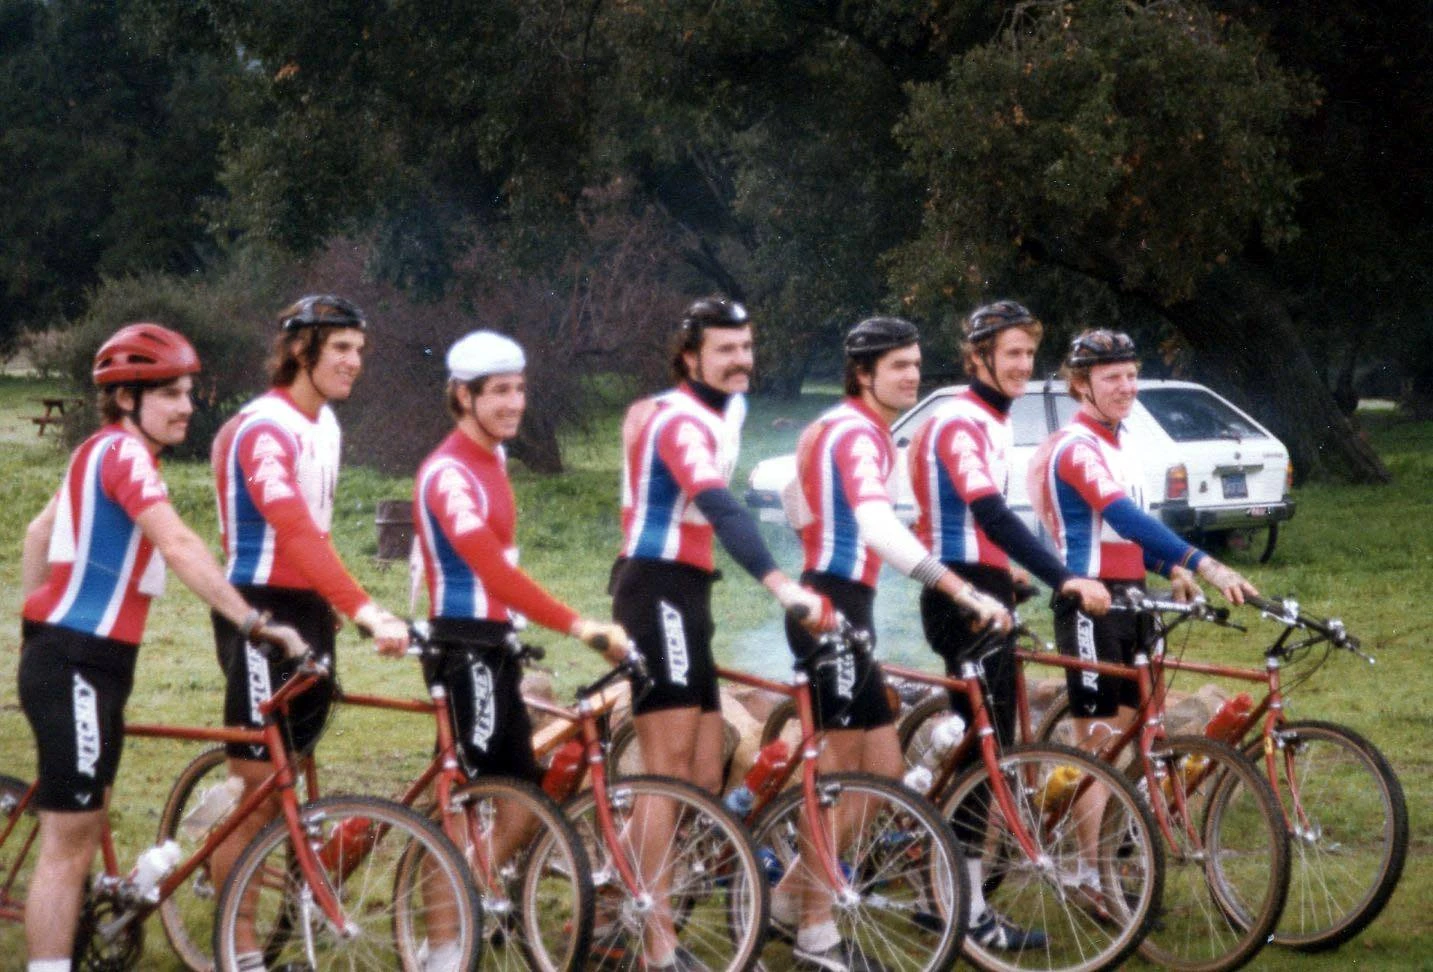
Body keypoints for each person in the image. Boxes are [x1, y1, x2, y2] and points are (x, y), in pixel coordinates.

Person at [18, 324, 307, 972]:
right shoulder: (120, 454)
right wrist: (251, 622)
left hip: (86, 662)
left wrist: (30, 633)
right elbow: (177, 544)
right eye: (170, 393)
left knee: (87, 829)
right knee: (68, 844)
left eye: (188, 391)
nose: (186, 406)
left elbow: (39, 532)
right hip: (77, 661)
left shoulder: (103, 453)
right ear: (125, 398)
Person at [777, 315, 1009, 972]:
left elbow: (797, 503)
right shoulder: (856, 433)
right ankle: (815, 935)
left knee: (876, 777)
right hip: (834, 609)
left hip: (839, 604)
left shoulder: (835, 428)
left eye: (915, 363)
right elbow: (875, 524)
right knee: (848, 782)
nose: (912, 375)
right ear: (862, 373)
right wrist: (960, 590)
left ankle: (787, 898)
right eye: (898, 366)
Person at [611, 296, 832, 970]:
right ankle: (656, 942)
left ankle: (655, 900)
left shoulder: (720, 411)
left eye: (746, 346)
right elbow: (717, 502)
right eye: (725, 349)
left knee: (706, 767)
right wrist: (779, 582)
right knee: (669, 771)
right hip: (654, 588)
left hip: (687, 590)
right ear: (689, 356)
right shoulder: (680, 420)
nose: (741, 360)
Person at [409, 329, 633, 971]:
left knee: (519, 798)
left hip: (495, 646)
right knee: (468, 802)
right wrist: (579, 625)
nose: (514, 402)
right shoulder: (448, 472)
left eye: (519, 388)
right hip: (463, 645)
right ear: (462, 396)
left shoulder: (494, 461)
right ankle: (441, 949)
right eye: (499, 391)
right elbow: (487, 568)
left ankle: (469, 907)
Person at [208, 294, 410, 972]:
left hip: (310, 610)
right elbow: (291, 529)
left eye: (360, 350)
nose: (355, 362)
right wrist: (364, 608)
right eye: (342, 349)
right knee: (257, 793)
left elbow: (315, 537)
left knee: (294, 782)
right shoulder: (263, 428)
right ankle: (238, 952)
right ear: (301, 350)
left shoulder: (323, 424)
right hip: (261, 610)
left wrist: (338, 607)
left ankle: (285, 931)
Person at [907, 300, 1111, 951]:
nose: (1023, 365)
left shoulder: (991, 421)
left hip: (984, 588)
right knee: (983, 753)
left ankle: (930, 876)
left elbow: (977, 529)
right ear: (978, 358)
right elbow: (990, 516)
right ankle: (960, 910)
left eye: (1028, 353)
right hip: (959, 597)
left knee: (977, 745)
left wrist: (1012, 576)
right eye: (1011, 353)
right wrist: (1062, 576)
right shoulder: (960, 422)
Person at [1028, 327, 1257, 905]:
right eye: (1112, 377)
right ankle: (1084, 876)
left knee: (1139, 737)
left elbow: (1127, 537)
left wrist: (1165, 566)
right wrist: (1202, 562)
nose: (1126, 386)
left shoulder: (1117, 442)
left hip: (1132, 597)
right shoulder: (1075, 446)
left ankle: (1113, 860)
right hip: (1090, 601)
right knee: (1100, 746)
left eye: (1132, 375)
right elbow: (1120, 517)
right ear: (1081, 385)